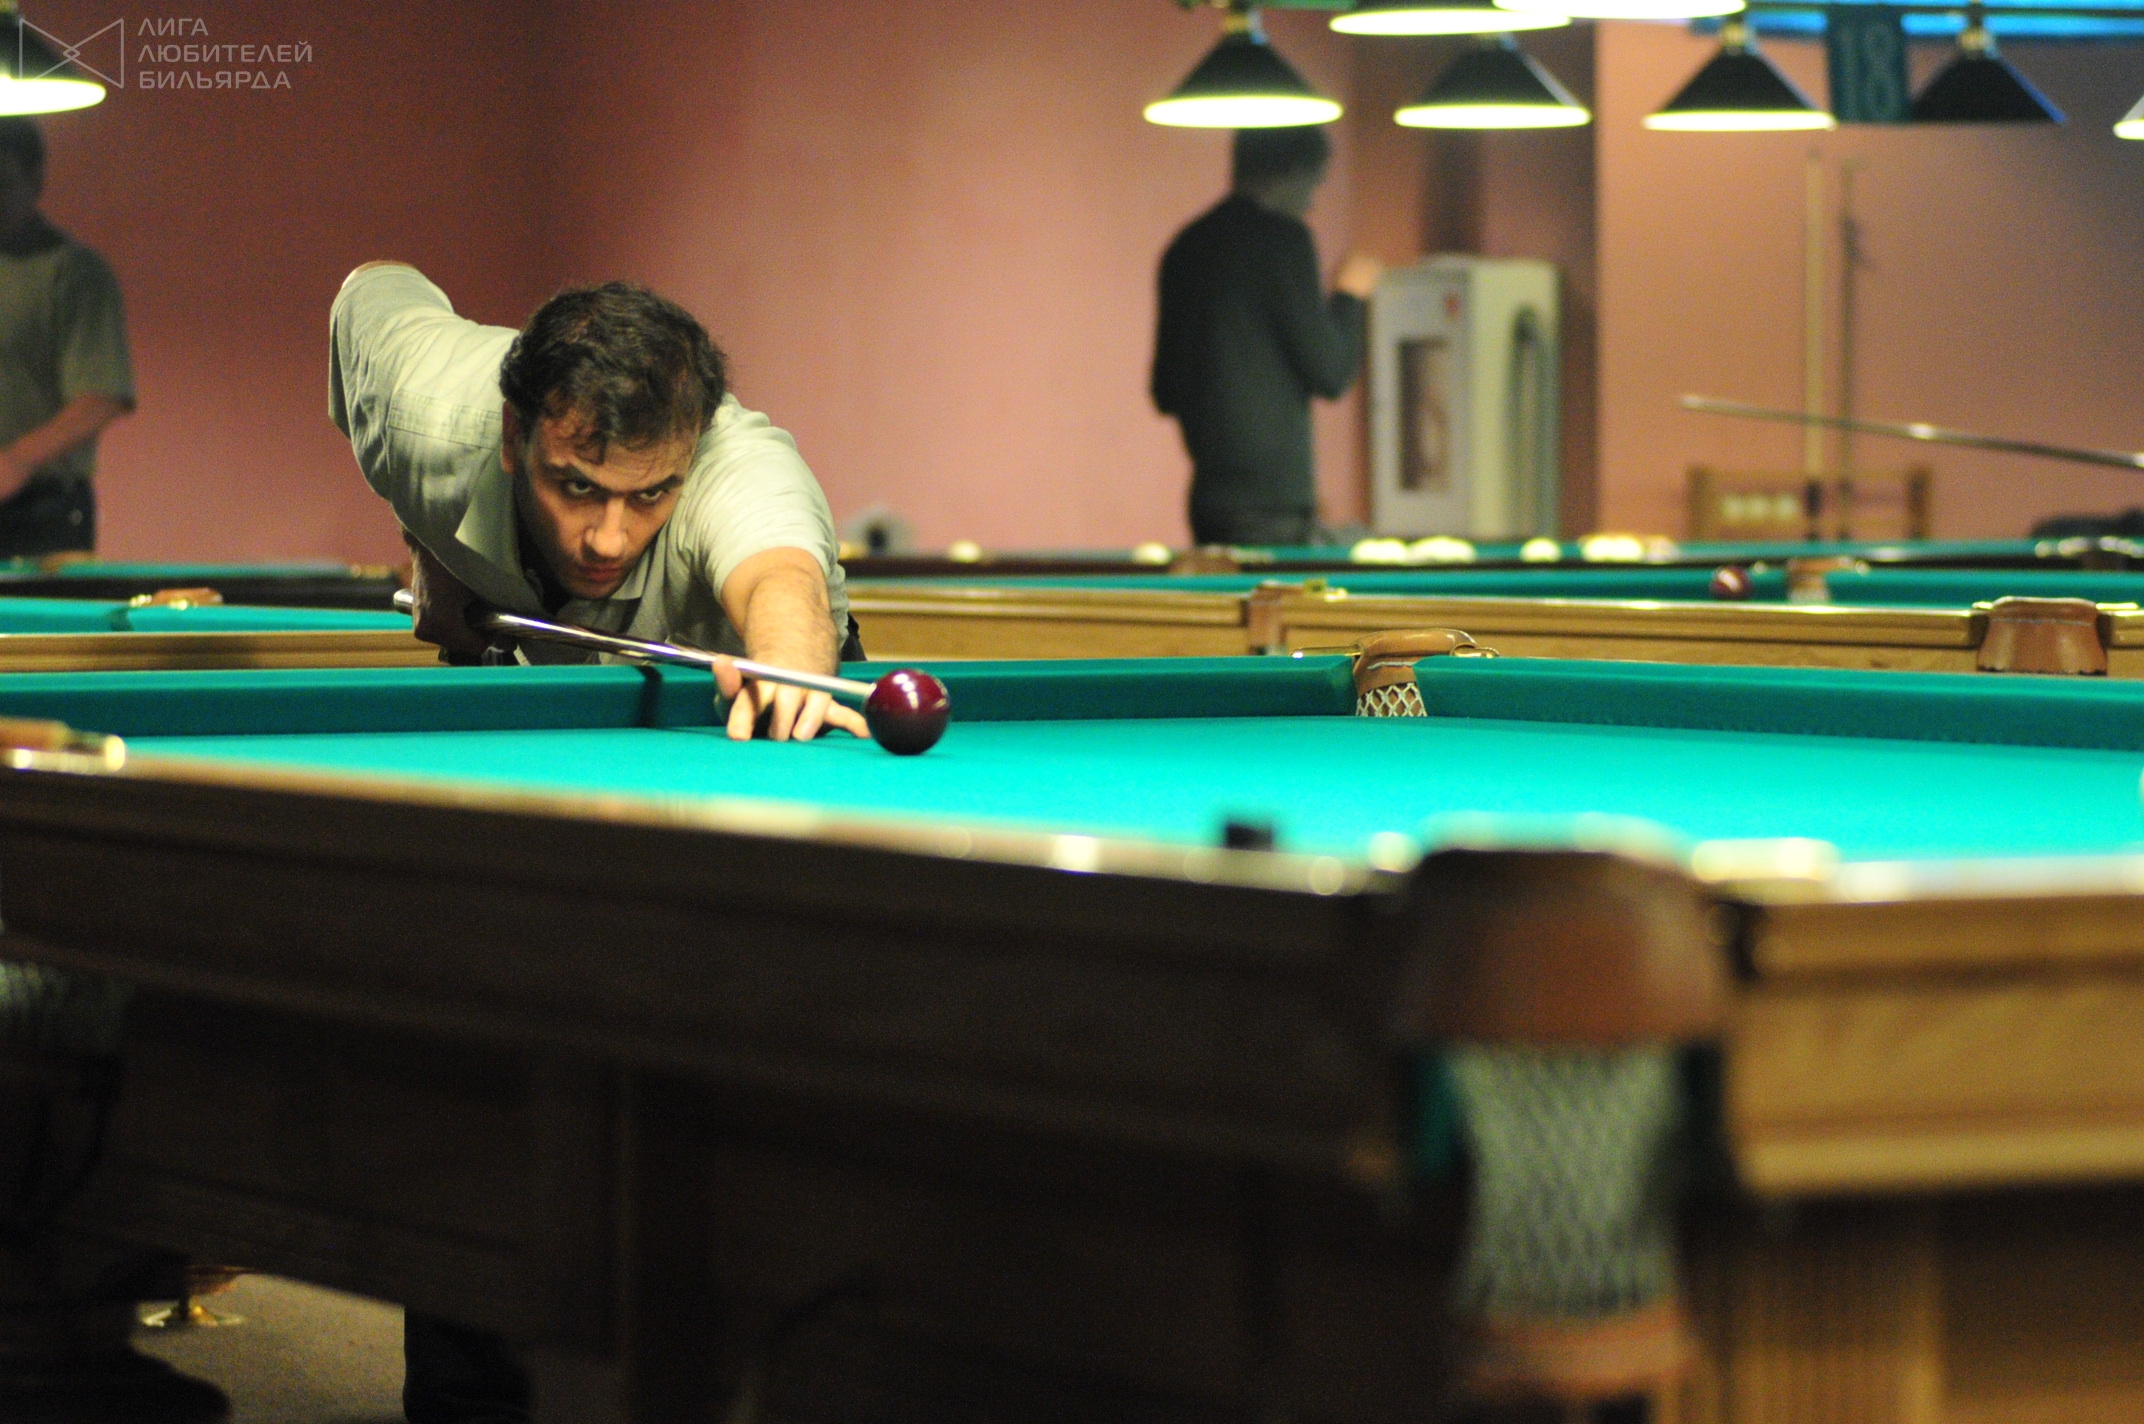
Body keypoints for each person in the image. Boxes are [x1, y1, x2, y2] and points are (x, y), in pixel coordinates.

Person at [331, 262, 863, 745]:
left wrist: (787, 667)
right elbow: (374, 286)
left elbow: (783, 581)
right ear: (513, 434)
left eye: (651, 494)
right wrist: (430, 545)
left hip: (757, 723)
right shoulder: (422, 415)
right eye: (579, 488)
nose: (608, 542)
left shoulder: (737, 470)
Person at [1150, 125, 1382, 548]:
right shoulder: (1283, 240)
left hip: (1210, 504)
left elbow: (1164, 391)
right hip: (1272, 507)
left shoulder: (1185, 246)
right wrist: (1350, 294)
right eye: (1315, 182)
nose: (1312, 202)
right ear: (1292, 171)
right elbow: (1331, 372)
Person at [0, 117, 134, 557]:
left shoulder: (72, 272)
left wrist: (16, 460)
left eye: (2, 182)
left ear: (35, 179)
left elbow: (102, 397)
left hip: (39, 511)